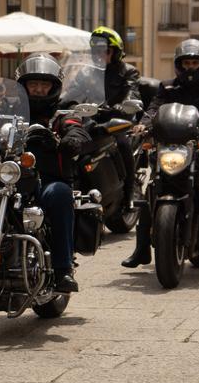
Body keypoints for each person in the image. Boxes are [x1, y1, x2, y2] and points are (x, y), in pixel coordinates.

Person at [123, 38, 199, 272]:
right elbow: (154, 108)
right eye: (186, 63)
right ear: (179, 65)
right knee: (153, 188)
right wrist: (143, 124)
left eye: (194, 63)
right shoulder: (168, 87)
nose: (190, 67)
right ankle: (141, 249)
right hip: (173, 145)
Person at [17, 53, 87, 293]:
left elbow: (75, 126)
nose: (37, 89)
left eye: (43, 85)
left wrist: (72, 140)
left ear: (53, 87)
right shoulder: (10, 108)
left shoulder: (61, 111)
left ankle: (62, 268)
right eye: (32, 84)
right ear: (23, 85)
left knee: (59, 193)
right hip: (8, 179)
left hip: (46, 181)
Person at [90, 25, 142, 211]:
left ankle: (129, 195)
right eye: (96, 50)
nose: (99, 54)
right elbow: (73, 91)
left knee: (121, 144)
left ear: (116, 52)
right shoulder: (88, 72)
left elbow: (132, 92)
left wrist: (123, 105)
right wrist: (61, 103)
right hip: (94, 120)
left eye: (105, 50)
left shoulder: (129, 71)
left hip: (119, 121)